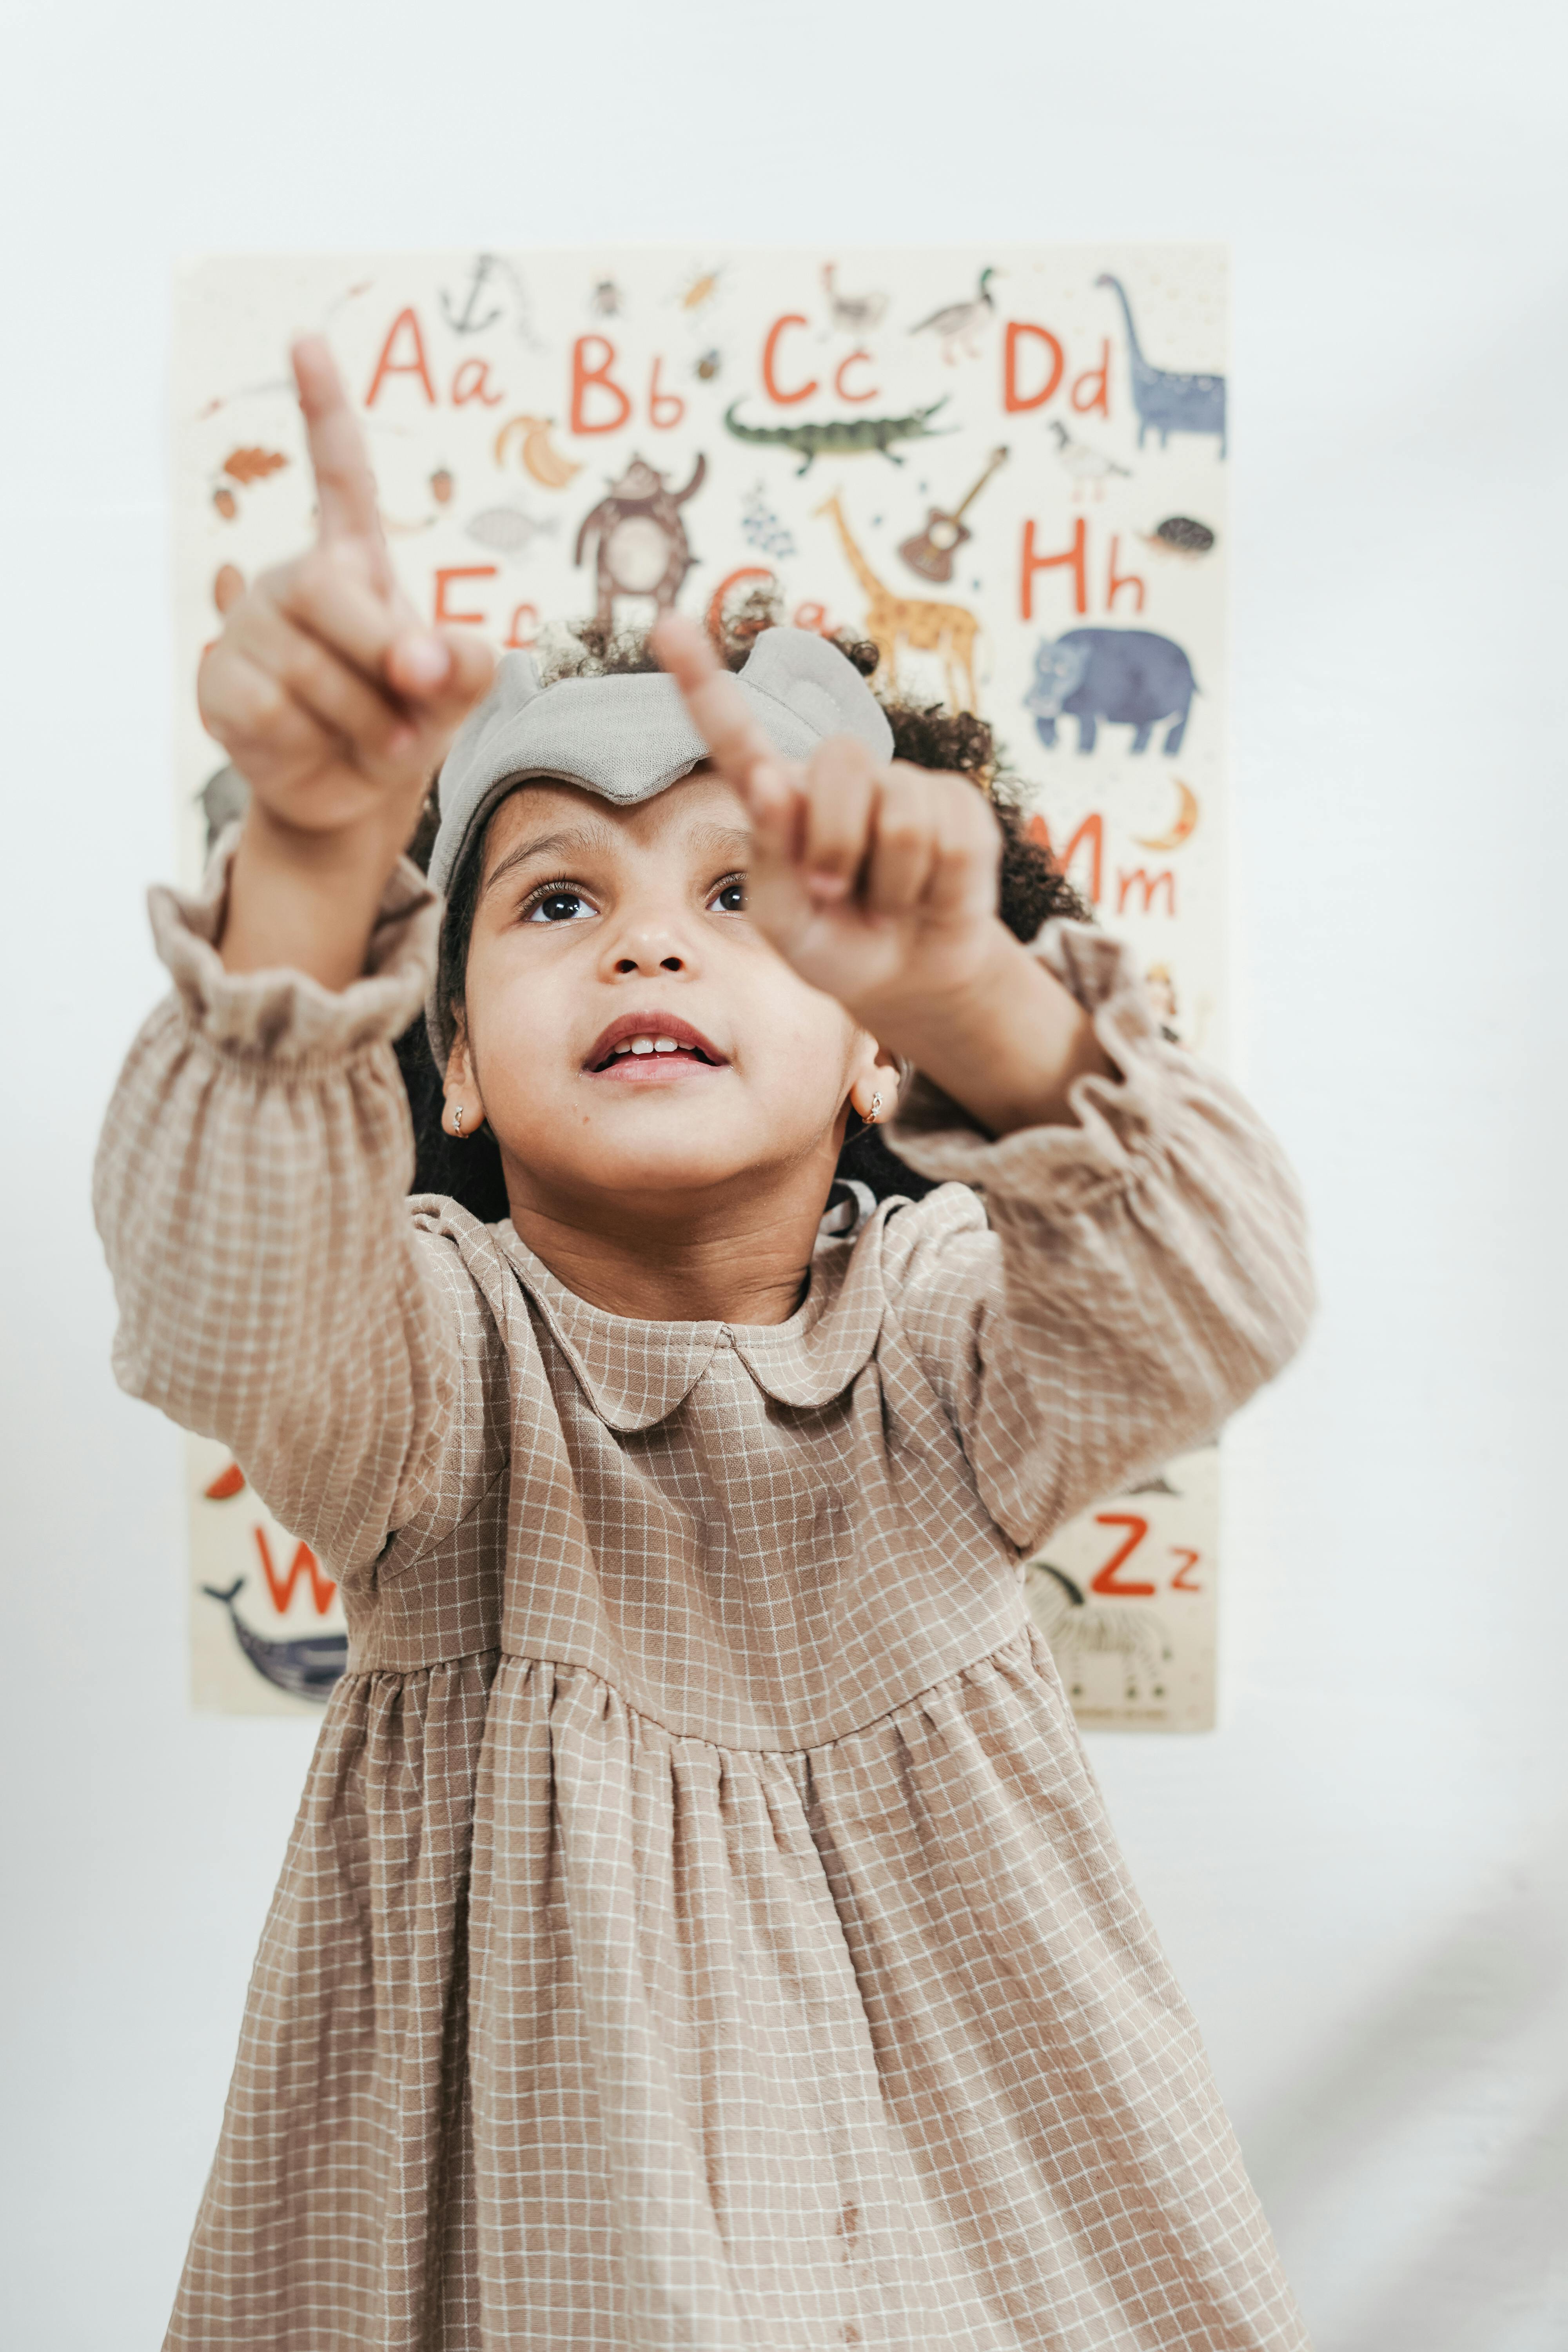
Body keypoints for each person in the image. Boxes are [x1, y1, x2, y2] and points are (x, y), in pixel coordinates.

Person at [96, 339, 1314, 2350]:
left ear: (865, 1049)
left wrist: (980, 1001)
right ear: (456, 1062)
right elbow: (218, 1285)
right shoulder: (431, 1368)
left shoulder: (936, 1340)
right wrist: (314, 861)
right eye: (558, 893)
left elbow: (1221, 1300)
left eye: (744, 896)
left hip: (974, 2237)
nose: (649, 941)